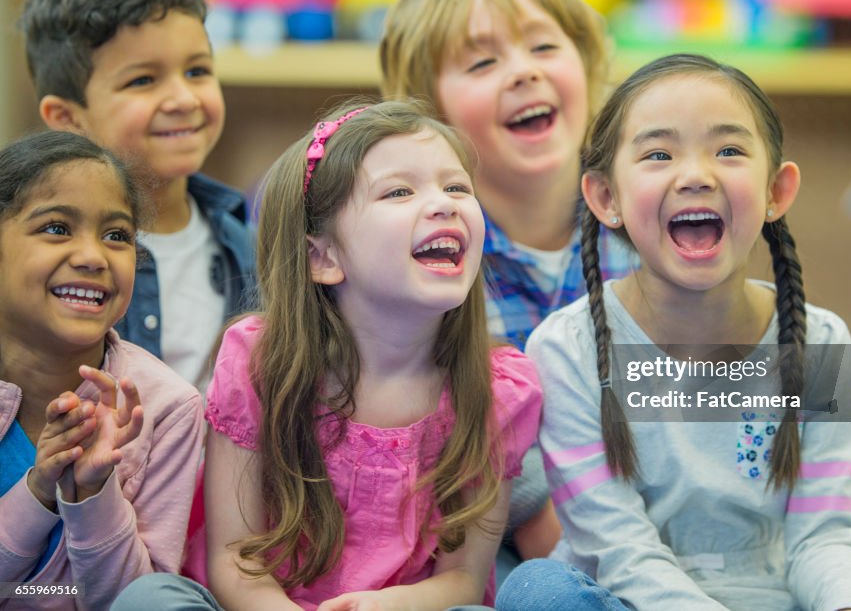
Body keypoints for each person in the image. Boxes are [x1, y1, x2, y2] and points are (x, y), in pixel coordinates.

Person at [111, 100, 542, 610]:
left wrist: (378, 608)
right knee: (149, 598)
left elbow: (463, 581)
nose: (444, 204)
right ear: (323, 256)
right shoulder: (258, 361)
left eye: (456, 187)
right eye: (399, 191)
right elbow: (234, 560)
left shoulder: (501, 390)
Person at [499, 53, 851, 610]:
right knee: (536, 590)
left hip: (771, 598)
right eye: (659, 154)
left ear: (777, 190)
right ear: (606, 198)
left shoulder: (823, 344)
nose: (697, 175)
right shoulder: (565, 349)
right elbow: (617, 549)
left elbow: (823, 538)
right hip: (622, 600)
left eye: (729, 150)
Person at [379, 0, 636, 565]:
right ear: (431, 114)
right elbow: (424, 445)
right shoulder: (422, 263)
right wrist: (541, 514)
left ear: (587, 66)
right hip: (483, 540)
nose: (522, 72)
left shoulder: (643, 230)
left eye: (544, 46)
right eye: (484, 62)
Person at [18, 0, 256, 391]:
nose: (183, 99)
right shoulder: (44, 260)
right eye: (143, 80)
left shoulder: (251, 246)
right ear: (67, 118)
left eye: (198, 71)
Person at [0, 131, 205, 610]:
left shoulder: (167, 407)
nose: (93, 257)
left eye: (117, 236)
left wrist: (94, 492)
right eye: (56, 228)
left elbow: (140, 600)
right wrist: (39, 492)